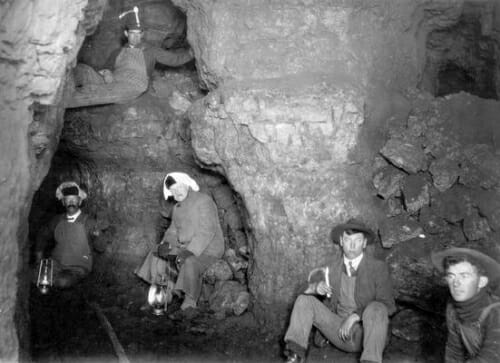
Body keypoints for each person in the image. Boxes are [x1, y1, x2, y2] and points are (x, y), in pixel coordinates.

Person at [283, 219, 396, 363]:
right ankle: (295, 357)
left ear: (364, 243)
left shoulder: (378, 268)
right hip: (339, 331)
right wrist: (315, 288)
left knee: (377, 308)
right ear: (341, 241)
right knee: (304, 300)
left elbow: (388, 305)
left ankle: (371, 360)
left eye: (358, 240)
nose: (353, 245)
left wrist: (355, 316)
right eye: (348, 240)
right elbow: (300, 291)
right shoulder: (331, 268)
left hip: (368, 335)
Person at [66, 8, 194, 109]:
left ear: (142, 35)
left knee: (94, 93)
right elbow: (106, 67)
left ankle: (59, 103)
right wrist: (106, 72)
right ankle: (59, 89)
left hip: (132, 86)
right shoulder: (118, 51)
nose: (136, 38)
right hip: (113, 80)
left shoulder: (151, 51)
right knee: (82, 70)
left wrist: (192, 53)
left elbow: (174, 59)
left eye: (139, 34)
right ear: (126, 34)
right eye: (132, 34)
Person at [135, 172, 224, 315]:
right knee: (156, 253)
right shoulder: (177, 208)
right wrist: (165, 244)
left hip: (208, 249)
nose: (176, 192)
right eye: (173, 190)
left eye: (179, 187)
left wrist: (189, 251)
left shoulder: (204, 201)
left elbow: (207, 231)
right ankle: (161, 297)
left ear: (186, 184)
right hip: (185, 246)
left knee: (190, 262)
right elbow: (172, 231)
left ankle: (189, 305)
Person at [431, 247, 500, 363]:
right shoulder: (453, 309)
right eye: (451, 276)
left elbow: (491, 357)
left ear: (482, 282)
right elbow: (454, 350)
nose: (456, 283)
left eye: (464, 276)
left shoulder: (496, 312)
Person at [34, 181, 104, 289]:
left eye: (74, 199)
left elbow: (101, 247)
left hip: (78, 266)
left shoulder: (89, 222)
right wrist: (39, 258)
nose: (71, 201)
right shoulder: (57, 220)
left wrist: (98, 236)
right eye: (67, 199)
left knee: (62, 281)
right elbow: (43, 235)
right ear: (63, 202)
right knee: (35, 276)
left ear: (80, 201)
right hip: (56, 262)